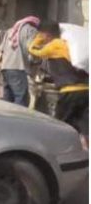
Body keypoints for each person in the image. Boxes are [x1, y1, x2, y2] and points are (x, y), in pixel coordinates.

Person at [28, 20, 89, 149]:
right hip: (85, 89)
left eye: (41, 33)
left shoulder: (55, 45)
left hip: (70, 91)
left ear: (46, 34)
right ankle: (85, 150)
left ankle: (59, 151)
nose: (39, 36)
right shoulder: (69, 45)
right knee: (83, 123)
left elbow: (34, 51)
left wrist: (38, 39)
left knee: (60, 123)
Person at [0, 16, 40, 107]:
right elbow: (32, 51)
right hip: (18, 68)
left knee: (7, 99)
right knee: (21, 99)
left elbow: (1, 50)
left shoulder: (10, 30)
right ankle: (18, 120)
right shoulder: (31, 31)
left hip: (5, 68)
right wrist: (36, 63)